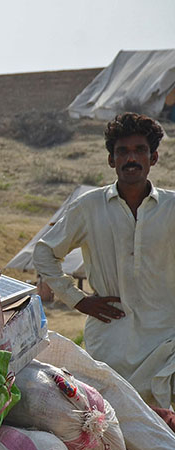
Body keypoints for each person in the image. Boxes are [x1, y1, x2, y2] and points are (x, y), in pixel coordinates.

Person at [34, 111, 175, 406]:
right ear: (112, 160)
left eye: (140, 150)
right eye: (122, 151)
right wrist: (78, 300)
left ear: (154, 158)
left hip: (166, 339)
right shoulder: (89, 207)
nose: (131, 159)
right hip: (112, 340)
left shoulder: (171, 207)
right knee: (114, 428)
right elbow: (45, 252)